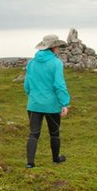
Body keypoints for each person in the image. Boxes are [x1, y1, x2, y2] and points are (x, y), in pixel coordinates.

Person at [24, 34, 71, 168]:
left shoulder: (31, 63)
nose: (59, 49)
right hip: (52, 105)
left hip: (33, 104)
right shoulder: (56, 63)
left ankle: (30, 163)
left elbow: (27, 85)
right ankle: (56, 159)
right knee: (54, 133)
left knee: (33, 134)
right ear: (53, 47)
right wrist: (65, 103)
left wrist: (33, 97)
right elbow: (59, 85)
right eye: (58, 47)